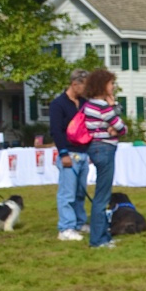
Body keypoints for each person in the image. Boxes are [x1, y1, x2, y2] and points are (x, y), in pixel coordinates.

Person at [82, 68, 127, 249]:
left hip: (96, 148)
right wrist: (116, 128)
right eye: (111, 83)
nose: (113, 86)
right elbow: (121, 127)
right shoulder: (101, 106)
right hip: (105, 148)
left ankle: (103, 236)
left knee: (102, 194)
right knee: (102, 196)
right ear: (103, 85)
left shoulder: (89, 105)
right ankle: (98, 239)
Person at [49, 69, 90, 241]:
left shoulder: (84, 103)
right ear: (75, 84)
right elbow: (56, 131)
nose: (86, 90)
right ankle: (65, 227)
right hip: (69, 153)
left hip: (83, 152)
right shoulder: (58, 104)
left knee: (81, 191)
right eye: (84, 86)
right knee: (67, 193)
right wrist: (63, 153)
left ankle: (79, 222)